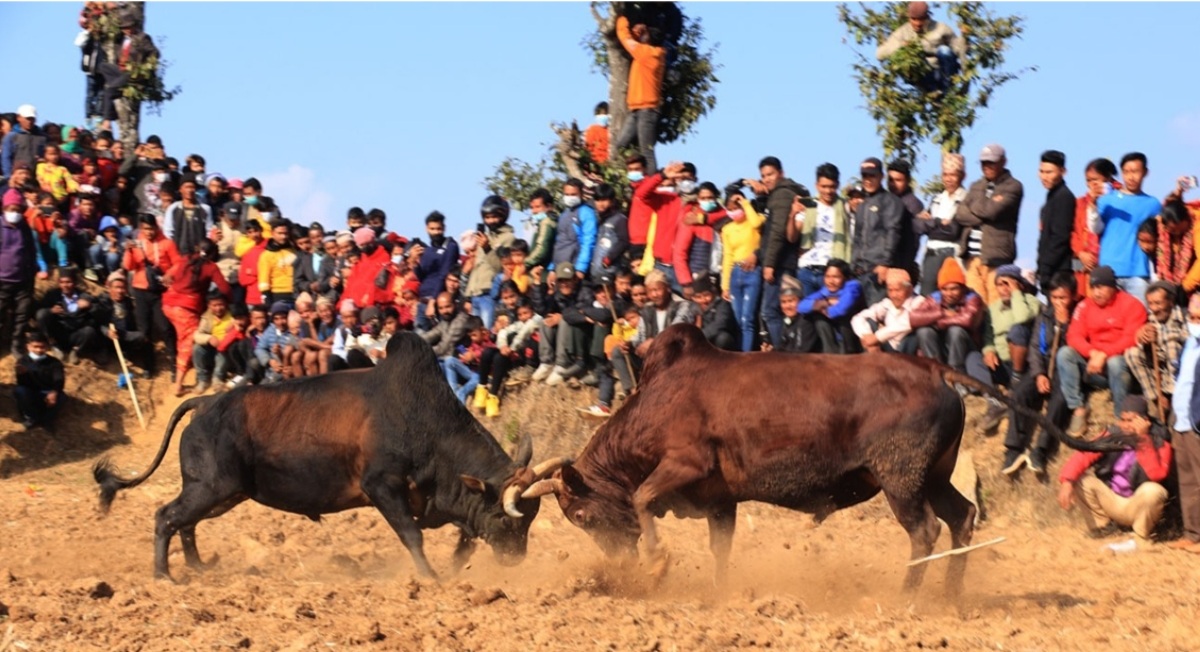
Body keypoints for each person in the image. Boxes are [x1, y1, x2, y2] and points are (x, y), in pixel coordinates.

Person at [1057, 396, 1172, 547]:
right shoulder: (1113, 435)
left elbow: (1157, 474)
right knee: (1080, 480)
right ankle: (1103, 528)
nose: (1125, 425)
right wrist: (1067, 481)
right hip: (1112, 500)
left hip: (1136, 503)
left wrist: (1143, 438)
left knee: (1154, 491)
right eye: (1122, 420)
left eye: (1131, 420)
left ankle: (1140, 536)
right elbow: (1083, 455)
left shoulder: (1159, 440)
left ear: (1144, 421)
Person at [1001, 272, 1077, 477]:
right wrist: (1039, 374)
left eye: (1063, 298)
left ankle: (1041, 450)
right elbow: (1035, 347)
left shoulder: (1079, 315)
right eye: (1054, 297)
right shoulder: (1044, 315)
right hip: (1042, 367)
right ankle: (1013, 449)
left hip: (1066, 370)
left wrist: (1065, 325)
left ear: (1073, 296)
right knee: (1019, 394)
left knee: (1060, 401)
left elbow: (1077, 346)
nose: (1058, 302)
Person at [1058, 266, 1147, 434]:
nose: (1096, 292)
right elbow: (1074, 335)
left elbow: (1131, 338)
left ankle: (1121, 418)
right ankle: (1078, 409)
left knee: (1115, 363)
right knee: (1065, 354)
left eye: (1100, 287)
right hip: (1093, 367)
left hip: (1121, 368)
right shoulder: (1084, 306)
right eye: (1092, 288)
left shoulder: (1132, 305)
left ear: (1112, 287)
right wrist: (1093, 353)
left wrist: (1105, 354)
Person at [746, 156, 810, 346]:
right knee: (779, 310)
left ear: (781, 173)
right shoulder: (777, 194)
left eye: (770, 174)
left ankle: (783, 352)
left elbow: (777, 232)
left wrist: (769, 264)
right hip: (780, 261)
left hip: (780, 263)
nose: (766, 179)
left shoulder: (782, 195)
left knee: (770, 311)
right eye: (763, 176)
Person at [1088, 153, 1161, 307]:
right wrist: (1093, 205)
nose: (1131, 177)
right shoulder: (1107, 200)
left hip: (1138, 272)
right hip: (1108, 272)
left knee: (1139, 315)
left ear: (1145, 172)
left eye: (1135, 171)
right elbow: (1095, 228)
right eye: (1126, 172)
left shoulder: (1153, 204)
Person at [954, 143, 1023, 306]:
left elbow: (992, 211)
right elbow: (960, 214)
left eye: (991, 162)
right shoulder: (976, 186)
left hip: (996, 257)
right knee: (974, 306)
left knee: (996, 306)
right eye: (984, 162)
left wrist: (974, 206)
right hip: (971, 257)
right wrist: (986, 209)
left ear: (1003, 162)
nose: (986, 166)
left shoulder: (1013, 186)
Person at [162, 239, 231, 396]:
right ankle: (178, 385)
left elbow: (168, 277)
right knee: (186, 345)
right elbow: (225, 289)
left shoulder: (185, 259)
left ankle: (186, 376)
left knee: (182, 340)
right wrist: (231, 304)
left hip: (168, 303)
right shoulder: (210, 267)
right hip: (186, 308)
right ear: (213, 254)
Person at [122, 213, 180, 378]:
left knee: (165, 327)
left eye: (151, 228)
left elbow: (178, 263)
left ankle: (175, 363)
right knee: (144, 330)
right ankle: (149, 365)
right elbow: (128, 266)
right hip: (140, 289)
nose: (149, 232)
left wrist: (169, 274)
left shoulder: (167, 243)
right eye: (145, 229)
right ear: (141, 229)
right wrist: (128, 251)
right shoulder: (137, 243)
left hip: (160, 290)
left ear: (156, 227)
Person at [789, 163, 852, 298]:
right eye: (824, 186)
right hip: (807, 268)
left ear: (838, 185)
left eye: (832, 187)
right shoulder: (809, 205)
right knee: (808, 309)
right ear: (816, 185)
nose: (828, 191)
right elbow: (792, 237)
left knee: (831, 308)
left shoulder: (844, 206)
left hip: (832, 271)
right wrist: (792, 214)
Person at [1124, 281, 1186, 416]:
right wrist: (1142, 336)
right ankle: (1157, 398)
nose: (1154, 308)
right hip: (1160, 370)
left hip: (1181, 371)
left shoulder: (1185, 316)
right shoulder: (1150, 319)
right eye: (1150, 304)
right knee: (1132, 353)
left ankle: (1173, 396)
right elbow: (1139, 339)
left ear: (1171, 301)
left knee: (1172, 344)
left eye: (1158, 303)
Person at [852, 157, 908, 307]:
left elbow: (893, 233)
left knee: (876, 316)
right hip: (859, 273)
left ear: (881, 176)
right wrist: (853, 265)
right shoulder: (862, 205)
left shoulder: (891, 201)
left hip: (878, 272)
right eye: (865, 175)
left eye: (872, 175)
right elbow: (857, 238)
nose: (868, 180)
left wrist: (884, 263)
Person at [1168, 292, 1200, 553]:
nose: (1193, 322)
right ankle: (1192, 533)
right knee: (1188, 481)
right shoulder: (1189, 343)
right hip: (1182, 422)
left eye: (1199, 318)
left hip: (1197, 423)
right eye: (1191, 317)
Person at [875, 1, 965, 92]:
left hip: (943, 72)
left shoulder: (941, 28)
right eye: (914, 19)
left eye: (921, 19)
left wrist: (964, 37)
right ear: (909, 18)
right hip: (925, 76)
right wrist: (901, 45)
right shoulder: (903, 32)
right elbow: (879, 54)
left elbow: (958, 49)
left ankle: (947, 89)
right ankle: (933, 91)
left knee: (944, 50)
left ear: (927, 17)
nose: (917, 23)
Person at [614, 13, 665, 171]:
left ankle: (651, 181)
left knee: (646, 151)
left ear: (648, 38)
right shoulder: (652, 53)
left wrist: (622, 20)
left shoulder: (647, 54)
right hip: (637, 107)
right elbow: (634, 42)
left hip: (647, 109)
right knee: (620, 145)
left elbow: (625, 38)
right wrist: (637, 32)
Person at [477, 297, 542, 418]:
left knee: (499, 357)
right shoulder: (519, 323)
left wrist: (511, 348)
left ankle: (493, 396)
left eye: (526, 313)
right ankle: (482, 387)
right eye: (520, 315)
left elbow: (524, 334)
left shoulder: (536, 320)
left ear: (532, 311)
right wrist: (503, 346)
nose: (523, 317)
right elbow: (503, 332)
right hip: (515, 353)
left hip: (528, 358)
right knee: (487, 352)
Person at [720, 187, 765, 352]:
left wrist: (745, 203)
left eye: (736, 207)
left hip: (752, 272)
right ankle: (739, 353)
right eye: (730, 209)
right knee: (738, 320)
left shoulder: (755, 221)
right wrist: (725, 285)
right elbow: (727, 256)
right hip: (735, 273)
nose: (733, 211)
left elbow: (757, 223)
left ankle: (746, 356)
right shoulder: (727, 229)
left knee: (748, 319)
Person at [915, 153, 966, 297]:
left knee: (951, 295)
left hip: (951, 253)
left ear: (962, 176)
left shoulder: (966, 199)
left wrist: (931, 223)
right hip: (930, 253)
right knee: (927, 298)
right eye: (945, 174)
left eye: (953, 175)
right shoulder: (937, 199)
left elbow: (953, 231)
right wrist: (938, 222)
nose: (948, 179)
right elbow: (919, 226)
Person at [851, 268, 935, 355]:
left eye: (898, 290)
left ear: (909, 289)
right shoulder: (887, 303)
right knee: (869, 321)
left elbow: (906, 323)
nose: (894, 295)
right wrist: (866, 335)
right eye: (890, 290)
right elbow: (858, 318)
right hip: (889, 348)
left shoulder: (919, 301)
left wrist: (877, 337)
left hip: (907, 349)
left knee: (916, 332)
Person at [465, 196, 516, 329]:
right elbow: (477, 268)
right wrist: (468, 296)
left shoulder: (508, 238)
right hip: (475, 294)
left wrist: (487, 248)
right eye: (487, 217)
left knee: (487, 332)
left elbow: (501, 267)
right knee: (475, 335)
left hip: (489, 294)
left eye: (494, 217)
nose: (491, 221)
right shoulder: (484, 237)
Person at [1071, 158, 1118, 300]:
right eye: (1088, 180)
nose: (1092, 184)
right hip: (1086, 268)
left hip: (1112, 264)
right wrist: (1081, 253)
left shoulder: (1120, 198)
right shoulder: (1080, 203)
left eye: (1095, 179)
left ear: (1107, 178)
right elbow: (1073, 232)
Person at [35, 266, 100, 365]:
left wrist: (90, 306)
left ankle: (76, 351)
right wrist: (50, 311)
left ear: (74, 283)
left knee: (89, 331)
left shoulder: (84, 296)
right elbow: (39, 311)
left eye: (68, 282)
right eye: (62, 282)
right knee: (42, 314)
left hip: (76, 334)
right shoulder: (53, 295)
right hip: (58, 332)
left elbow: (100, 312)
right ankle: (55, 346)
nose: (65, 285)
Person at [1, 188, 38, 356]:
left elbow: (31, 251)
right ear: (4, 208)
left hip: (23, 281)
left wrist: (32, 274)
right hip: (2, 281)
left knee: (22, 315)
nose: (15, 213)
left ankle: (16, 344)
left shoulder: (25, 228)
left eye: (18, 210)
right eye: (12, 209)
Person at [798, 259, 864, 354]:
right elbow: (801, 306)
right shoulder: (825, 291)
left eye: (836, 277)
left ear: (845, 277)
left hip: (851, 337)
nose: (831, 281)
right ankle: (829, 354)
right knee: (818, 319)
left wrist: (821, 308)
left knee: (844, 318)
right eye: (827, 276)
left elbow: (840, 310)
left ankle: (847, 354)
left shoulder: (852, 287)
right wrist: (825, 303)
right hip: (834, 337)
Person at [411, 211, 459, 331]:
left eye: (439, 229)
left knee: (441, 336)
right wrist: (413, 262)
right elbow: (423, 278)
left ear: (444, 228)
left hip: (439, 302)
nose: (436, 232)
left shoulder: (450, 246)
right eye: (432, 229)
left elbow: (444, 274)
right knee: (419, 338)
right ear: (426, 229)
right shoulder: (427, 250)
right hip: (423, 301)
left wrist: (433, 302)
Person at [1036, 150, 1077, 292]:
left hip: (1059, 272)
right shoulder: (1052, 197)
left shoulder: (1064, 197)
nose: (1044, 177)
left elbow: (1060, 237)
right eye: (1041, 171)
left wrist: (1046, 268)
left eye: (1049, 172)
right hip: (1050, 270)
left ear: (1063, 172)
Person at [674, 182, 722, 297]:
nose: (707, 201)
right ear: (698, 199)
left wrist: (702, 219)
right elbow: (679, 253)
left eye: (710, 197)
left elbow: (727, 214)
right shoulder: (690, 219)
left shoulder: (723, 216)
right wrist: (686, 282)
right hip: (698, 275)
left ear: (716, 197)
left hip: (720, 276)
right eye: (703, 198)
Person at [14, 331, 65, 431]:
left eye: (42, 347)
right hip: (31, 392)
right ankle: (31, 418)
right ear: (28, 347)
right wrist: (22, 374)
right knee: (20, 391)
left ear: (47, 347)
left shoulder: (54, 362)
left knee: (61, 396)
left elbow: (59, 380)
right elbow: (22, 384)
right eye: (35, 347)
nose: (39, 350)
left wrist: (54, 392)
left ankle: (47, 420)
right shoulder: (22, 361)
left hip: (47, 392)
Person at [552, 178, 598, 281]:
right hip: (560, 269)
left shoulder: (586, 213)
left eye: (573, 194)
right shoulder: (564, 215)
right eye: (567, 194)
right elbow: (559, 243)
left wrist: (581, 268)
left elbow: (588, 241)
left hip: (574, 269)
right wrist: (552, 268)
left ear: (581, 194)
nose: (570, 197)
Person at [191, 292, 234, 393]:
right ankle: (203, 379)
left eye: (220, 304)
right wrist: (209, 338)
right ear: (209, 306)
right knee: (197, 349)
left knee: (223, 351)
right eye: (214, 305)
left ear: (226, 304)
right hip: (211, 347)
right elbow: (197, 335)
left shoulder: (232, 316)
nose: (218, 308)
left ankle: (217, 379)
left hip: (227, 348)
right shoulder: (207, 317)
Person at [765, 276, 819, 354]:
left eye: (791, 301)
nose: (787, 306)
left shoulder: (806, 320)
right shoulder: (787, 320)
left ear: (801, 301)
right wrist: (771, 351)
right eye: (784, 302)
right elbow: (783, 348)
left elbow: (800, 353)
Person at [161, 174, 211, 255]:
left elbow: (209, 231)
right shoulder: (173, 208)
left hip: (199, 255)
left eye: (192, 187)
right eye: (187, 187)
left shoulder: (205, 209)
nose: (190, 190)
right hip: (178, 254)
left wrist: (205, 248)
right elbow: (168, 232)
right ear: (180, 189)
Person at [590, 183, 629, 282]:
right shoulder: (596, 219)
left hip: (609, 271)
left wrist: (609, 259)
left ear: (611, 201)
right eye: (598, 200)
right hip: (594, 271)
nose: (600, 203)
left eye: (604, 200)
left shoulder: (619, 219)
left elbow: (623, 241)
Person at [1155, 200, 1198, 291]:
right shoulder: (1162, 226)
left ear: (1186, 220)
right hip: (1172, 283)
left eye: (1178, 230)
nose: (1176, 234)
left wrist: (1185, 287)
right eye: (1172, 231)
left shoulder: (1197, 225)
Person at [447, 316, 488, 405]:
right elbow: (468, 354)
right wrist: (464, 358)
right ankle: (453, 391)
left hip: (483, 375)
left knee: (477, 378)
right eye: (470, 336)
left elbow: (488, 351)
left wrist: (474, 355)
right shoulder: (473, 343)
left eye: (474, 335)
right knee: (449, 361)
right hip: (472, 371)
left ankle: (460, 395)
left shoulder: (489, 340)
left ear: (482, 331)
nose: (472, 338)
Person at [257, 218, 298, 307]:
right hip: (278, 295)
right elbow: (264, 281)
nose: (283, 236)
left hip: (297, 293)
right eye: (280, 233)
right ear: (272, 233)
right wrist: (267, 302)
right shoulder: (266, 255)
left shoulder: (295, 251)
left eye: (286, 233)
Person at [692, 274, 738, 351]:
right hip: (698, 339)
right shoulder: (692, 307)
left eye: (706, 295)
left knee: (723, 338)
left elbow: (720, 324)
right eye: (698, 297)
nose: (703, 300)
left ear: (713, 293)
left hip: (714, 338)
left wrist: (700, 336)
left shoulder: (722, 304)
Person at [1, 104, 46, 178]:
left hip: (37, 177)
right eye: (27, 118)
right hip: (17, 176)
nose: (30, 121)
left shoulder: (42, 137)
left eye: (32, 119)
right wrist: (8, 176)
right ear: (18, 118)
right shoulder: (11, 137)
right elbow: (6, 158)